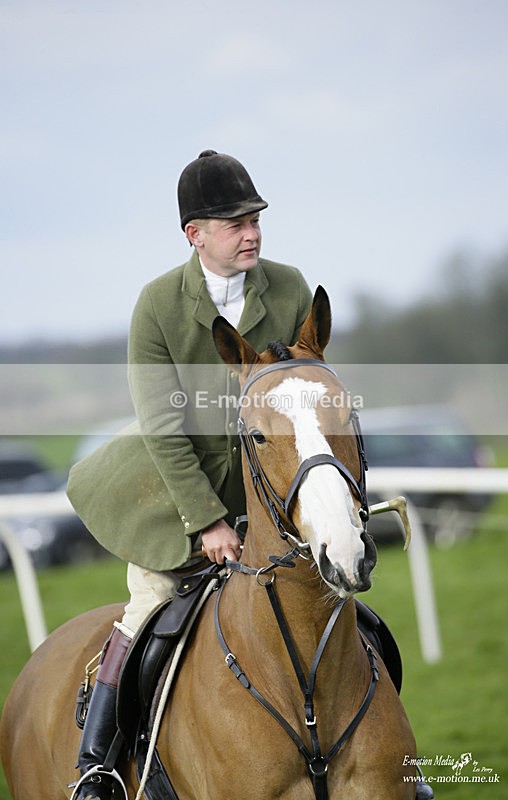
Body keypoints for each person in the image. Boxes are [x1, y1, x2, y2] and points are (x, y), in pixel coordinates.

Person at [67, 150, 313, 800]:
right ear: (195, 235)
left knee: (335, 600)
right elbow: (162, 429)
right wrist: (206, 522)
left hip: (271, 501)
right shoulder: (155, 306)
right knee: (147, 605)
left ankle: (398, 765)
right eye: (235, 222)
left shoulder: (288, 289)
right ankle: (95, 767)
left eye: (255, 217)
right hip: (176, 500)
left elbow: (297, 401)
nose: (252, 231)